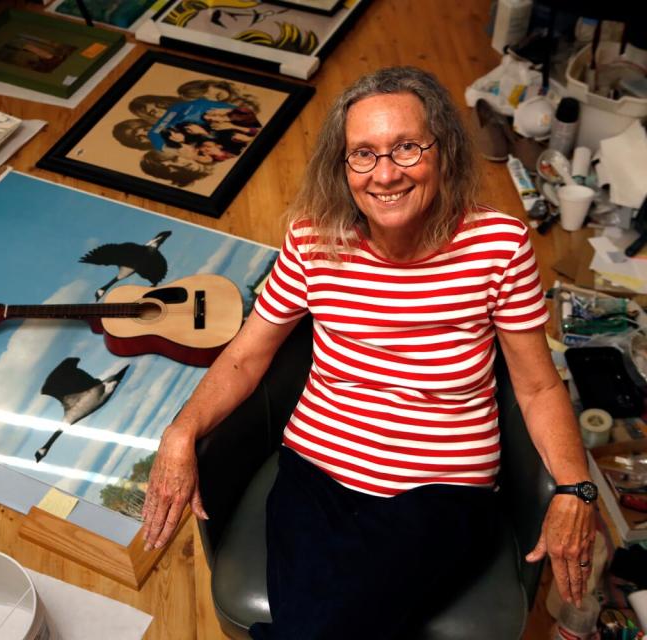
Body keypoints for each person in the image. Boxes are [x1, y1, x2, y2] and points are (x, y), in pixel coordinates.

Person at [140, 66, 595, 638]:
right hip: (314, 471)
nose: (384, 174)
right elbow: (243, 357)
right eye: (363, 154)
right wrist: (179, 433)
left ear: (444, 151)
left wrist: (576, 487)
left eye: (406, 148)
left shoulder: (498, 244)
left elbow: (537, 386)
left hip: (441, 491)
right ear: (343, 164)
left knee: (321, 623)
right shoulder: (313, 239)